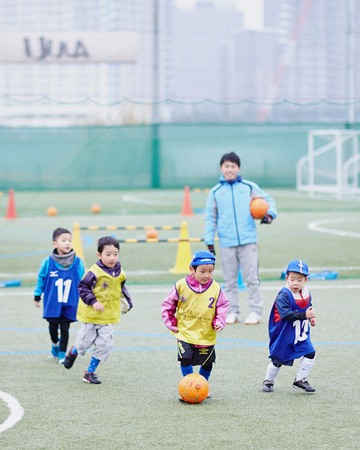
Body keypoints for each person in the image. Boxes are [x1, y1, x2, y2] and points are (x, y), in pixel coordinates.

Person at [205, 151, 277, 325]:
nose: (230, 170)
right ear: (221, 168)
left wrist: (269, 215)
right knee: (229, 281)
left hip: (248, 241)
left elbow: (269, 200)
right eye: (226, 166)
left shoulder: (249, 187)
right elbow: (210, 217)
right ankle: (232, 311)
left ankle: (255, 312)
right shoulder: (215, 192)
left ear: (238, 168)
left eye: (233, 166)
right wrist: (209, 241)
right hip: (226, 242)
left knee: (252, 278)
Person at [64, 236, 132, 384]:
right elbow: (82, 287)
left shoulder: (120, 272)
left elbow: (121, 288)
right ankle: (74, 351)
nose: (112, 257)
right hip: (91, 316)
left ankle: (89, 372)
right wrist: (93, 301)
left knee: (105, 345)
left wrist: (127, 303)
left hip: (109, 317)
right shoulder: (94, 272)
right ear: (99, 255)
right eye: (108, 254)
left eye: (115, 253)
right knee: (84, 344)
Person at [161, 250, 229, 400]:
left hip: (206, 334)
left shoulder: (216, 288)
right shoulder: (181, 285)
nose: (206, 275)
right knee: (185, 359)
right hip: (185, 332)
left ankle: (203, 384)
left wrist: (219, 321)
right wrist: (172, 324)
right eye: (202, 271)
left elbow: (223, 305)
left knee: (208, 364)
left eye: (210, 271)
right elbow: (167, 305)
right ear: (192, 269)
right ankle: (188, 385)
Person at [262, 259, 317, 393]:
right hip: (284, 333)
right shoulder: (284, 295)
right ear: (287, 278)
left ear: (306, 280)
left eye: (299, 279)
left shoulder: (306, 293)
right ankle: (268, 380)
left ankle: (300, 379)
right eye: (292, 279)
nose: (296, 283)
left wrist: (311, 318)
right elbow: (286, 315)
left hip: (300, 333)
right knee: (278, 359)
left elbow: (307, 307)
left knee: (310, 353)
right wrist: (305, 315)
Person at [34, 227, 85, 364]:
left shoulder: (78, 262)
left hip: (70, 302)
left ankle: (63, 353)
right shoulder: (47, 262)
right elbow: (41, 279)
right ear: (55, 244)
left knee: (65, 328)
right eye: (64, 240)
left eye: (69, 240)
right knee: (52, 328)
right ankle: (55, 344)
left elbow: (83, 281)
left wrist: (86, 297)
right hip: (52, 302)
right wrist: (37, 294)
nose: (68, 243)